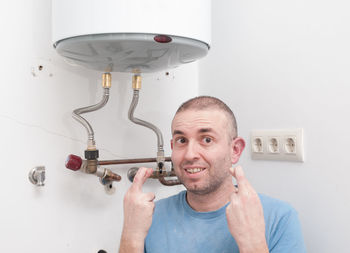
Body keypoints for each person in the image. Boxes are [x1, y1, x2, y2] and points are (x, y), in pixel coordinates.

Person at [119, 96, 306, 253]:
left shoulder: (278, 218)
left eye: (207, 140)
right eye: (181, 140)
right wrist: (131, 235)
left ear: (235, 150)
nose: (190, 154)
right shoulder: (147, 216)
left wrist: (253, 243)